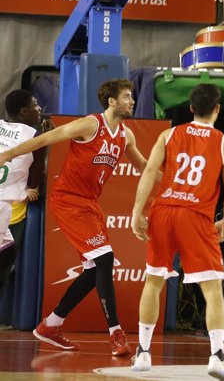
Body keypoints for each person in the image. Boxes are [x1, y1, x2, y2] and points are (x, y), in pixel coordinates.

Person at [0, 79, 148, 356]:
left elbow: (145, 167)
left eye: (132, 97)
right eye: (127, 96)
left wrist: (174, 180)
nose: (132, 101)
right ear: (112, 101)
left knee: (95, 270)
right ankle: (116, 333)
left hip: (90, 205)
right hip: (67, 201)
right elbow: (45, 139)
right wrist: (8, 153)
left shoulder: (126, 136)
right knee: (104, 259)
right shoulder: (90, 125)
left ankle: (51, 324)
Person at [129, 84, 224, 378]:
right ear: (217, 108)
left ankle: (142, 353)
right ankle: (217, 355)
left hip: (163, 212)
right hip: (196, 215)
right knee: (212, 289)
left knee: (153, 282)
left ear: (190, 108)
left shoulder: (168, 134)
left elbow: (150, 171)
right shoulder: (222, 142)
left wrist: (137, 210)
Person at [0, 90, 46, 302]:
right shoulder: (33, 135)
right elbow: (38, 171)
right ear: (24, 111)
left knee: (8, 254)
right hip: (3, 204)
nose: (39, 109)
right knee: (7, 258)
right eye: (36, 105)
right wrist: (32, 186)